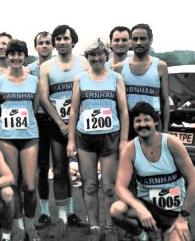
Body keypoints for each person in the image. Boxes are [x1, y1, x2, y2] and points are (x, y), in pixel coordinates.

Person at [110, 102, 195, 241]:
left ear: (155, 121)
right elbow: (120, 187)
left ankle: (169, 232)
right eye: (138, 121)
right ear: (133, 125)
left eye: (146, 120)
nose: (142, 124)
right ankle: (143, 236)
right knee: (116, 209)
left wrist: (183, 217)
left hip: (173, 212)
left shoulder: (172, 143)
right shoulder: (130, 149)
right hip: (147, 209)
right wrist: (139, 208)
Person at [66, 37, 129, 241]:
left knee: (109, 186)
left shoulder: (115, 78)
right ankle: (94, 227)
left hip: (110, 137)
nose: (95, 58)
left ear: (105, 55)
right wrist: (71, 141)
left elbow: (123, 111)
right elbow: (74, 110)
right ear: (88, 57)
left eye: (99, 54)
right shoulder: (80, 79)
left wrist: (123, 140)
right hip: (86, 138)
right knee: (90, 185)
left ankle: (110, 227)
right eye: (91, 55)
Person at [38, 24, 90, 238]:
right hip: (56, 125)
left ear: (73, 40)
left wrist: (75, 123)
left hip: (82, 125)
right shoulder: (46, 67)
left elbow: (90, 91)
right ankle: (62, 216)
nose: (60, 42)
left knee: (86, 172)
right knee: (59, 168)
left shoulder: (84, 62)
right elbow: (43, 97)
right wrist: (60, 123)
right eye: (57, 39)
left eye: (65, 38)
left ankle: (86, 216)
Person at [0, 39, 41, 241]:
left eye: (19, 54)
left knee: (29, 186)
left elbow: (34, 109)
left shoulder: (34, 81)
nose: (15, 57)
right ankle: (18, 226)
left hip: (29, 136)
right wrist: (7, 127)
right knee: (12, 184)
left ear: (25, 56)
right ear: (7, 56)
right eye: (12, 54)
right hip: (7, 138)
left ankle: (30, 223)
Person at [113, 23, 169, 140]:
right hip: (128, 126)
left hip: (153, 125)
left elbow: (164, 101)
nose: (138, 42)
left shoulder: (160, 66)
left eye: (143, 38)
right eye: (135, 39)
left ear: (151, 40)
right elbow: (115, 102)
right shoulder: (119, 68)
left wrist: (165, 131)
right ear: (130, 41)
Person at [26, 31, 54, 229]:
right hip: (39, 119)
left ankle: (69, 212)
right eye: (40, 43)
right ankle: (45, 212)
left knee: (61, 167)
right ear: (35, 47)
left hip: (60, 119)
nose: (44, 46)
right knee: (42, 168)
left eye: (47, 43)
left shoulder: (62, 66)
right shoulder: (28, 69)